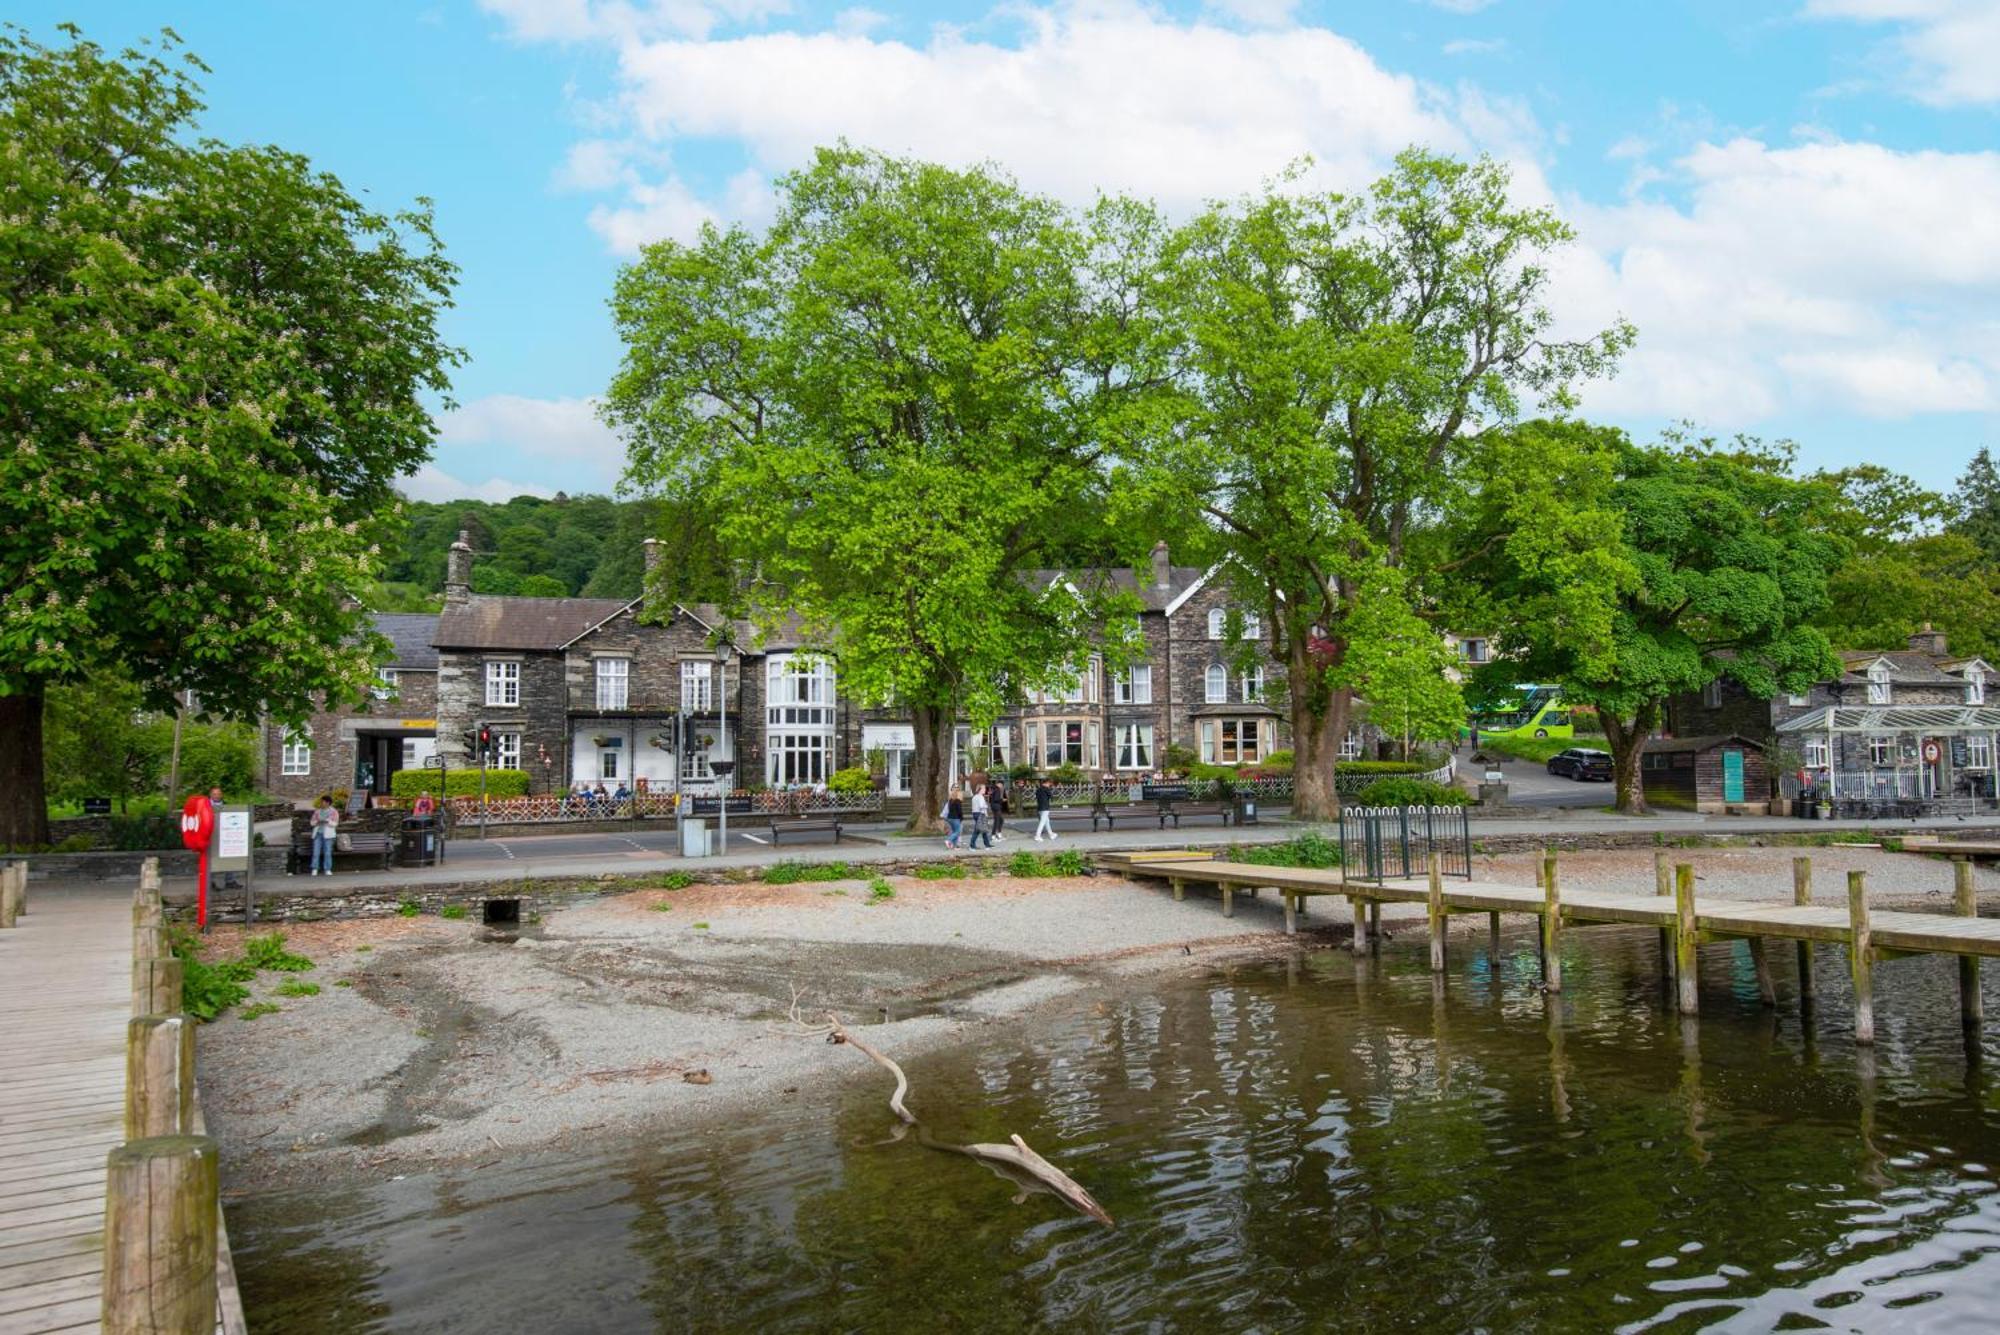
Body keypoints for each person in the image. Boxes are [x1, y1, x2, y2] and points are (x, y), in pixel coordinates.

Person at [309, 795, 339, 876]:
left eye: (323, 802)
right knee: (316, 852)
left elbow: (335, 823)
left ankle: (327, 869)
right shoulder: (317, 811)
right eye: (321, 801)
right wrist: (317, 822)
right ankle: (315, 868)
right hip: (318, 834)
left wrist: (327, 821)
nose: (321, 803)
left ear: (328, 803)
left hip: (328, 835)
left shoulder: (334, 811)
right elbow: (312, 822)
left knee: (327, 852)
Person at [969, 784, 993, 850]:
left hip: (975, 813)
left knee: (983, 829)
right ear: (980, 789)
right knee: (978, 830)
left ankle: (987, 844)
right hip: (980, 814)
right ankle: (972, 845)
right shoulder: (980, 797)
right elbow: (982, 806)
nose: (985, 790)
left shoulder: (974, 797)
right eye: (984, 788)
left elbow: (973, 807)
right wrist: (987, 806)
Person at [1034, 776, 1055, 841]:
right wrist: (1050, 791)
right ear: (1047, 783)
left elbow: (1036, 797)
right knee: (1042, 822)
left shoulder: (1038, 789)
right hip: (1045, 807)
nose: (1050, 785)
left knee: (1047, 821)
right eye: (1049, 783)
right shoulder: (1046, 789)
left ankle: (1051, 834)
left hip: (1039, 807)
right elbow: (1052, 797)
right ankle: (1037, 836)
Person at [990, 776, 1008, 842]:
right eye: (1002, 785)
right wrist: (1002, 800)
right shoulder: (997, 789)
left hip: (994, 806)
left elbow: (992, 798)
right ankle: (993, 835)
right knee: (997, 821)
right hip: (996, 806)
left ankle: (998, 834)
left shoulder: (994, 788)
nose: (1002, 787)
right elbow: (996, 799)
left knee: (1000, 820)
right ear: (1000, 784)